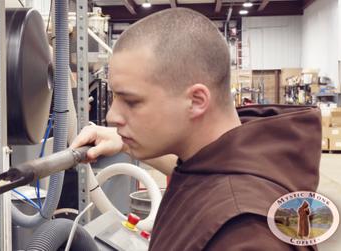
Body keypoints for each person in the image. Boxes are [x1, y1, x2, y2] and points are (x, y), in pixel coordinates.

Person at [70, 8, 321, 251]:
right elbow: (202, 174)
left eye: (132, 101)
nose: (112, 116)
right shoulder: (221, 161)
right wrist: (124, 140)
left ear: (197, 101)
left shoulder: (246, 233)